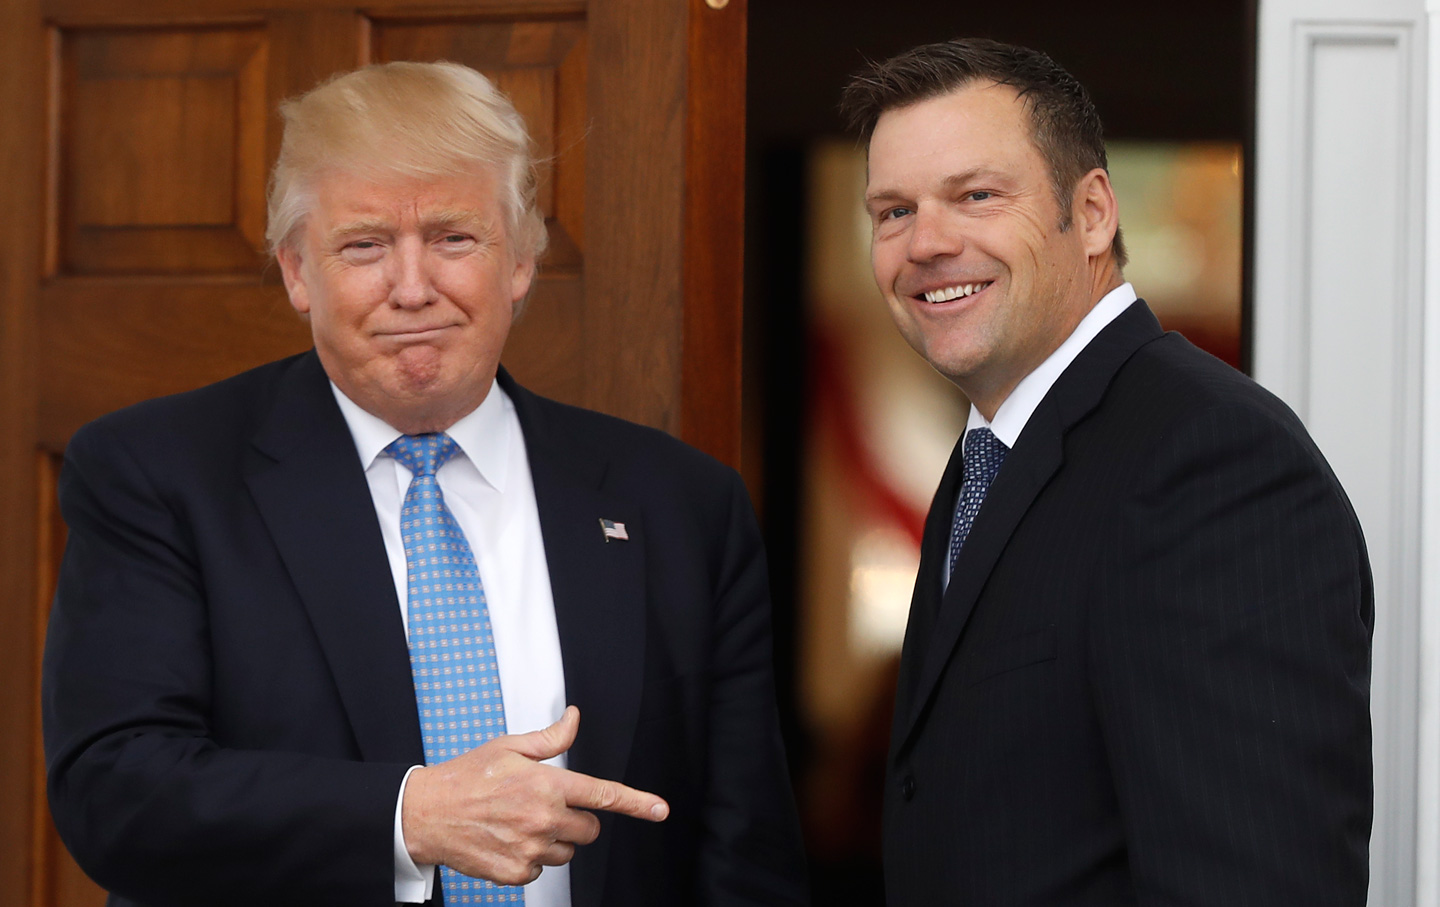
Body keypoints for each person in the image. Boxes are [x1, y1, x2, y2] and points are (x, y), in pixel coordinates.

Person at [43, 61, 807, 907]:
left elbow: (745, 856)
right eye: (364, 245)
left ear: (521, 261)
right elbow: (115, 791)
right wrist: (408, 817)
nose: (412, 289)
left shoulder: (681, 505)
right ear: (297, 270)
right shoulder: (161, 474)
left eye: (453, 238)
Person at [840, 38, 1373, 905]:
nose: (925, 242)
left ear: (1091, 213)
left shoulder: (1212, 461)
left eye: (976, 195)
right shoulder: (990, 460)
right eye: (893, 211)